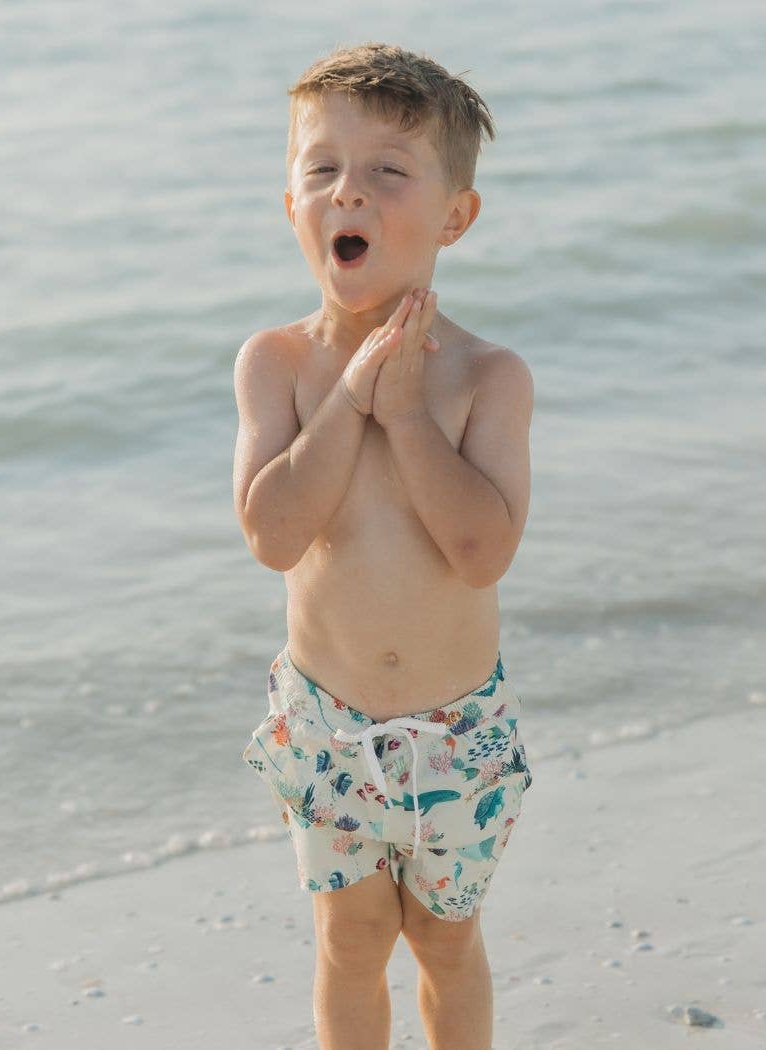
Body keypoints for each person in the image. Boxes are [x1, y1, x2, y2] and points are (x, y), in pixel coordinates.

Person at [233, 41, 534, 1050]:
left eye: (386, 172)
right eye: (321, 170)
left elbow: (481, 552)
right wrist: (349, 402)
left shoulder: (487, 379)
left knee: (445, 941)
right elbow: (275, 537)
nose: (347, 192)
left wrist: (404, 415)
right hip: (327, 722)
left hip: (460, 732)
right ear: (291, 206)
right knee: (352, 942)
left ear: (456, 216)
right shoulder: (276, 365)